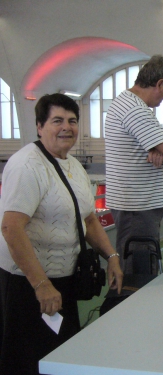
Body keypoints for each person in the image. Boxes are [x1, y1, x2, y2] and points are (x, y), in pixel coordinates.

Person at [0, 93, 123, 375]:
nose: (66, 127)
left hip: (63, 282)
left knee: (61, 353)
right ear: (40, 126)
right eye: (57, 120)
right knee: (29, 359)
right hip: (29, 285)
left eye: (72, 120)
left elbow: (90, 219)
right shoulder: (27, 165)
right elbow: (11, 227)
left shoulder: (73, 165)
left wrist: (112, 256)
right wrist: (41, 284)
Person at [105, 55, 163, 274]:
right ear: (159, 83)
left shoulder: (127, 104)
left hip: (138, 207)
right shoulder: (135, 110)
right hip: (137, 208)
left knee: (143, 265)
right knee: (137, 273)